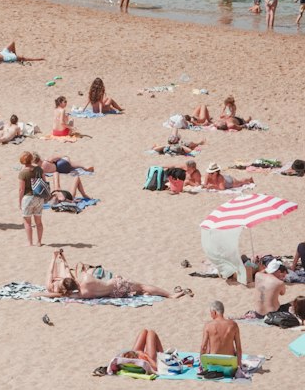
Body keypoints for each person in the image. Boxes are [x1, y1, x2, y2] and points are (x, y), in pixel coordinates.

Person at [46, 249, 179, 300]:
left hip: (114, 295)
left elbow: (59, 295)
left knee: (139, 290)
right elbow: (104, 277)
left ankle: (144, 294)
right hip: (116, 285)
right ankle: (170, 295)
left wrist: (40, 294)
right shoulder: (86, 277)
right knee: (143, 286)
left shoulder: (81, 294)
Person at [200, 300, 242, 369]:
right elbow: (238, 348)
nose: (211, 315)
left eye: (211, 313)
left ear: (214, 312)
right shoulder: (233, 325)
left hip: (213, 364)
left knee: (208, 346)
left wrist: (201, 364)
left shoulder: (208, 325)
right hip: (229, 364)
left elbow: (203, 347)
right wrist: (239, 365)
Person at [18, 154, 45, 246]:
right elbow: (44, 182)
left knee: (27, 222)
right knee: (39, 222)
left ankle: (30, 242)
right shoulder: (39, 169)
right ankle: (39, 241)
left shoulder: (23, 173)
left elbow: (21, 189)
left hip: (28, 198)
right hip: (39, 197)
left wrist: (20, 201)